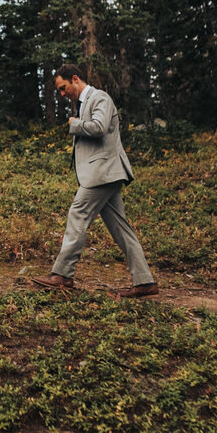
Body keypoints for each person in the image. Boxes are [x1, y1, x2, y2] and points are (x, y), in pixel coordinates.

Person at [31, 64, 158, 298]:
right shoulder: (84, 103)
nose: (62, 94)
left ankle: (63, 274)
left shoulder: (100, 97)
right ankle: (145, 281)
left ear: (75, 79)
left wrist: (74, 124)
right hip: (104, 173)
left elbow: (99, 127)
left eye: (63, 88)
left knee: (77, 214)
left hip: (103, 172)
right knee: (121, 229)